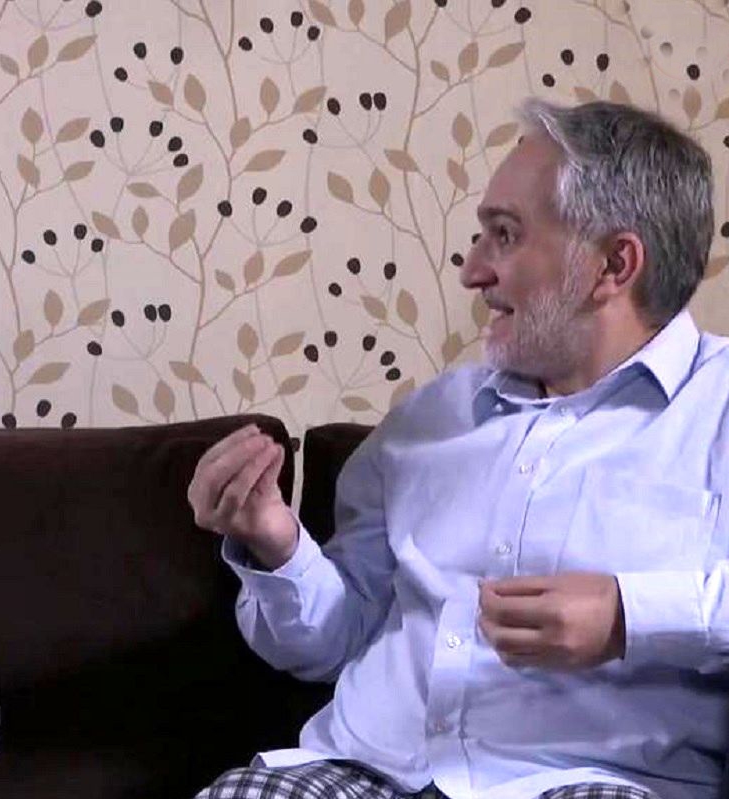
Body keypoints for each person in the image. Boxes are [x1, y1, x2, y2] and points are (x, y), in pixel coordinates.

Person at [187, 98, 729, 799]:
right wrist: (278, 544)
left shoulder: (716, 407)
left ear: (613, 265)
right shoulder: (428, 419)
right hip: (365, 774)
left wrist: (629, 616)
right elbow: (331, 642)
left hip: (584, 783)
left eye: (505, 235)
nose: (473, 271)